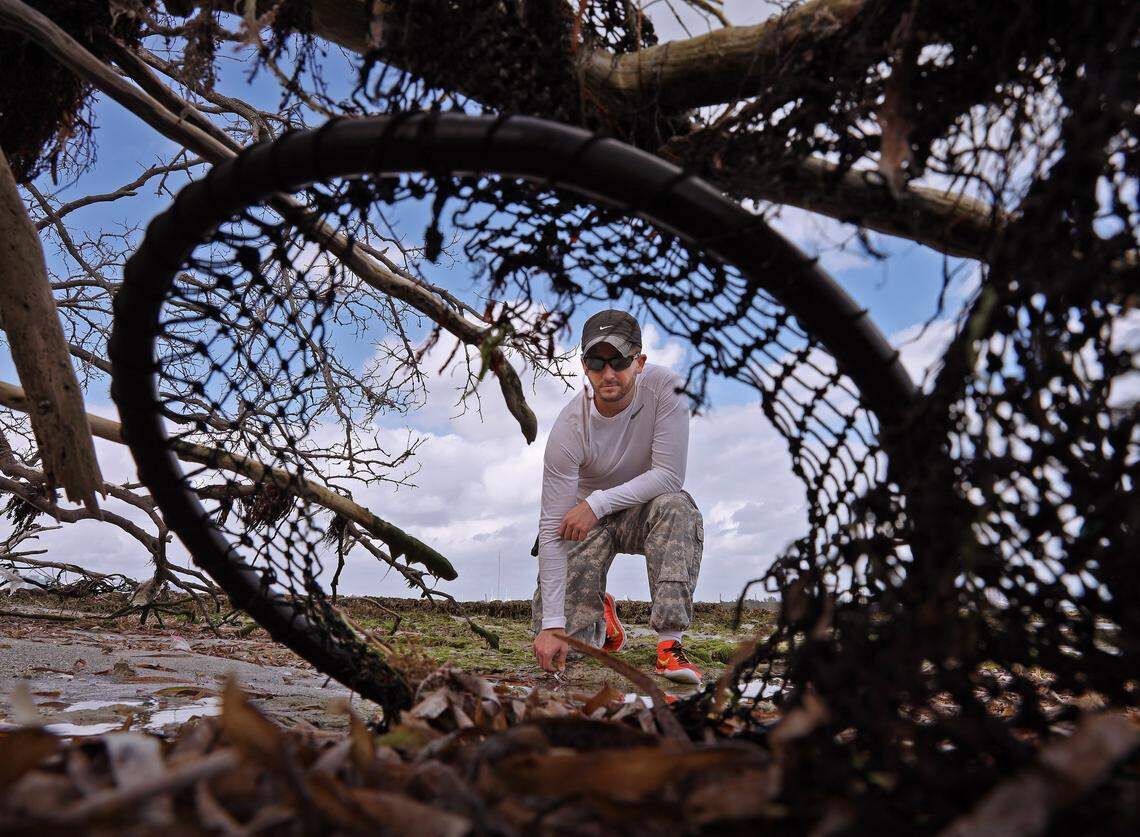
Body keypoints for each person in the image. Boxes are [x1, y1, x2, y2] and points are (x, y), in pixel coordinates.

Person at [530, 309, 704, 684]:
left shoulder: (667, 389)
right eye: (597, 362)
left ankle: (669, 646)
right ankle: (602, 620)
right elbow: (551, 527)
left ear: (639, 362)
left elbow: (670, 476)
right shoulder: (568, 429)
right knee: (565, 648)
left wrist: (598, 503)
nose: (608, 374)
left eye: (620, 361)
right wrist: (553, 624)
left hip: (641, 512)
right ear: (584, 366)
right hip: (583, 525)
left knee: (678, 506)